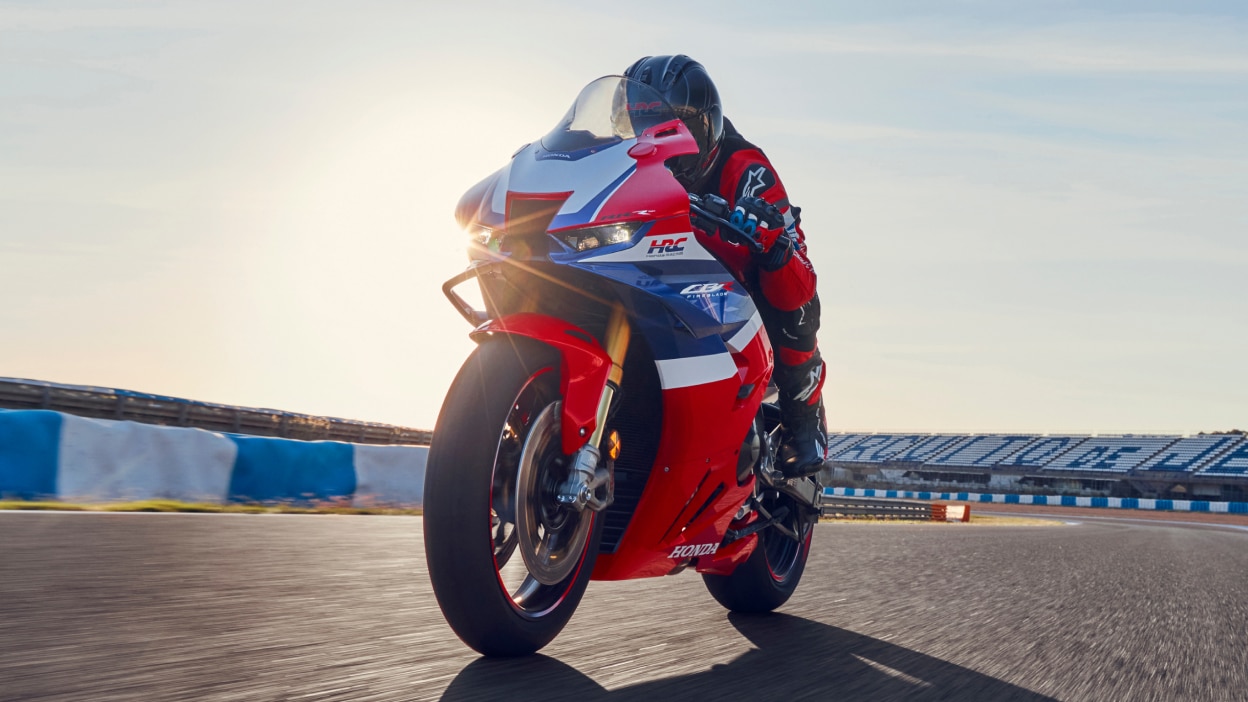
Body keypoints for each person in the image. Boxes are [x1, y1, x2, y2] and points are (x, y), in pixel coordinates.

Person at [624, 54, 827, 478]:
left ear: (705, 127)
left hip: (735, 284)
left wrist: (769, 237)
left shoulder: (745, 167)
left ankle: (802, 417)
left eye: (672, 127)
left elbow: (800, 270)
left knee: (789, 286)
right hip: (658, 272)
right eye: (642, 127)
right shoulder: (626, 165)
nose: (655, 139)